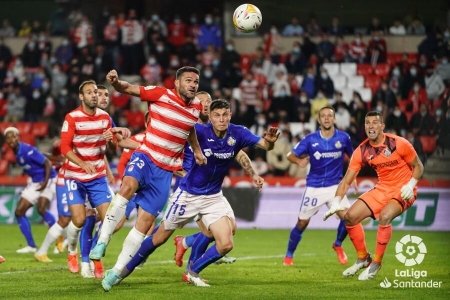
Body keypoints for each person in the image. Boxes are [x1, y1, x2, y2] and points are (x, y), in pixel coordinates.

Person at [101, 99, 278, 290]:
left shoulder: (238, 132)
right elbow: (163, 140)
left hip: (213, 197)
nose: (222, 119)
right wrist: (123, 140)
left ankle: (193, 272)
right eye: (217, 115)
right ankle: (119, 272)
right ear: (210, 117)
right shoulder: (199, 132)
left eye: (225, 114)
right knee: (159, 238)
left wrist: (269, 143)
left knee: (226, 243)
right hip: (188, 195)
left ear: (230, 115)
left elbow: (265, 146)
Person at [89, 67, 207, 287]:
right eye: (189, 80)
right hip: (146, 155)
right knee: (127, 187)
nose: (193, 84)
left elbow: (190, 128)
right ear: (177, 83)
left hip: (165, 172)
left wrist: (197, 150)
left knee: (145, 224)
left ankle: (116, 272)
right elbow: (128, 88)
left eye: (196, 81)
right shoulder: (161, 94)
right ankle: (102, 241)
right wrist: (115, 83)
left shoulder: (197, 108)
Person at [324, 111, 424, 280]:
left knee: (385, 216)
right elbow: (346, 181)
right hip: (382, 188)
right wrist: (336, 201)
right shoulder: (362, 150)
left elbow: (419, 166)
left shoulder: (398, 143)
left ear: (382, 126)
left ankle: (376, 263)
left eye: (375, 122)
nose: (371, 126)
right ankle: (363, 258)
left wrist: (411, 184)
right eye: (367, 123)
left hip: (404, 190)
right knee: (350, 217)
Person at [60, 80, 124, 274]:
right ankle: (72, 251)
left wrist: (110, 141)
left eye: (96, 92)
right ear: (82, 97)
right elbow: (64, 148)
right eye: (89, 92)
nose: (94, 95)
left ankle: (96, 255)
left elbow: (113, 147)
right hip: (75, 176)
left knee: (111, 220)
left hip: (97, 177)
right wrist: (82, 163)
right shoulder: (72, 118)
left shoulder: (105, 117)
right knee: (79, 220)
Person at [283, 106, 356, 266]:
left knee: (349, 218)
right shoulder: (310, 139)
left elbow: (353, 157)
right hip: (314, 187)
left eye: (329, 115)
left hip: (336, 186)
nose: (327, 118)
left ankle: (337, 244)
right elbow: (290, 155)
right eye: (323, 116)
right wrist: (299, 161)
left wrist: (353, 175)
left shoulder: (343, 138)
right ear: (319, 120)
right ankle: (289, 255)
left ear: (334, 119)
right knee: (302, 223)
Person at [4, 127, 57, 254]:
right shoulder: (16, 153)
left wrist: (45, 182)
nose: (11, 139)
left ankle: (60, 238)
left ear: (18, 137)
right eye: (8, 137)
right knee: (19, 212)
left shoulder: (26, 149)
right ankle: (31, 246)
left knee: (41, 208)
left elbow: (47, 163)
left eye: (13, 136)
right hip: (35, 181)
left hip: (48, 178)